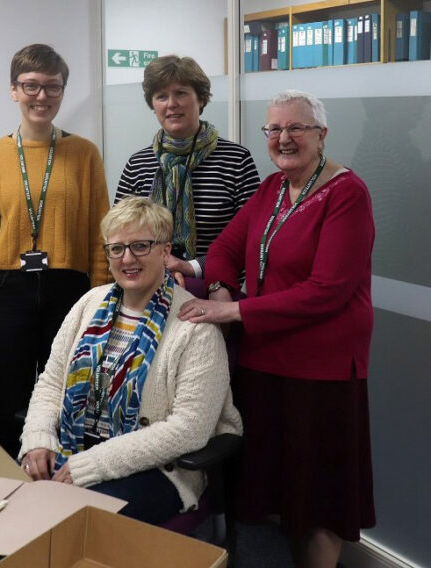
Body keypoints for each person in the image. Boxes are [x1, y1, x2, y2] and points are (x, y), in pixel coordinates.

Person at [178, 90, 376, 567]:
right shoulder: (270, 189)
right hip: (261, 363)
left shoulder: (347, 193)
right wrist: (223, 287)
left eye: (296, 128)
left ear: (321, 135)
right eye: (274, 129)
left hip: (320, 371)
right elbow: (225, 247)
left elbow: (326, 290)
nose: (283, 138)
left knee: (319, 502)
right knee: (269, 495)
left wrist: (231, 313)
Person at [19, 197, 242, 524]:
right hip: (73, 447)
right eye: (117, 249)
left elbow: (189, 430)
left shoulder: (194, 326)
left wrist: (90, 465)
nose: (127, 259)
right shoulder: (89, 303)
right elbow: (52, 382)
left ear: (165, 252)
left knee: (75, 523)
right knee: (13, 506)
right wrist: (38, 439)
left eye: (140, 246)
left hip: (157, 469)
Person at [0, 44, 110, 458]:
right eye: (31, 86)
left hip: (71, 289)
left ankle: (66, 482)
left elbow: (101, 235)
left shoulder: (85, 154)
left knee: (69, 395)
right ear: (14, 90)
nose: (41, 96)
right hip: (6, 290)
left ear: (62, 92)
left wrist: (102, 302)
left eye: (52, 87)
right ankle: (16, 484)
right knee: (12, 402)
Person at [115, 55, 260, 280]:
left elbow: (252, 237)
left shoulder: (236, 160)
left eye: (181, 93)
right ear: (153, 105)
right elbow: (119, 236)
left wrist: (192, 267)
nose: (171, 104)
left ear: (200, 99)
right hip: (149, 288)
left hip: (217, 288)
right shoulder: (138, 164)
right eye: (161, 96)